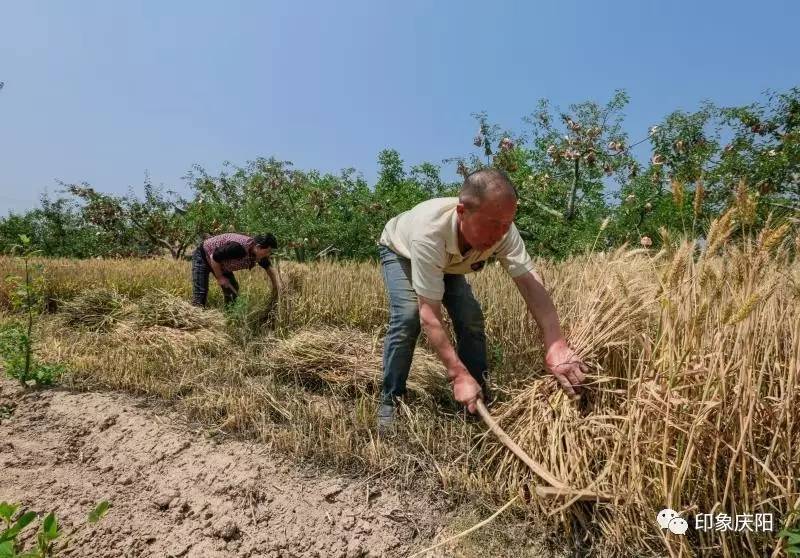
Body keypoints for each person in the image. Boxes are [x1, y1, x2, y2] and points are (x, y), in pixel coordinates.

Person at [376, 168, 587, 430]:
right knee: (407, 318)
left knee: (470, 317)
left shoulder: (503, 230)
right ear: (462, 212)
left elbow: (530, 283)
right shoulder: (429, 233)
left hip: (450, 263)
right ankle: (391, 398)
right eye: (492, 224)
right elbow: (429, 315)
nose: (499, 235)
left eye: (506, 225)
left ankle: (475, 399)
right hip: (402, 250)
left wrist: (556, 343)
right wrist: (456, 373)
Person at [191, 232, 281, 307]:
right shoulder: (238, 248)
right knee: (200, 293)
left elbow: (269, 269)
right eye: (267, 251)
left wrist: (276, 287)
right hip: (203, 256)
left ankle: (229, 317)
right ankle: (194, 320)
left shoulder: (258, 253)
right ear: (258, 246)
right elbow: (214, 257)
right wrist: (220, 277)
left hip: (221, 264)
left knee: (232, 290)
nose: (268, 254)